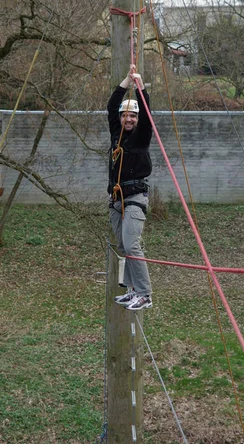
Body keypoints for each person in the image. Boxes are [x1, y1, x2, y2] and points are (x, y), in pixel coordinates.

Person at [107, 65, 153, 311]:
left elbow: (147, 115)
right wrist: (126, 80)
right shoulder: (116, 135)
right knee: (124, 246)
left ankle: (145, 294)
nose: (129, 119)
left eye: (133, 116)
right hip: (116, 198)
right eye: (125, 115)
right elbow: (111, 106)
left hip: (135, 196)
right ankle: (133, 290)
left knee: (132, 245)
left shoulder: (141, 136)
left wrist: (141, 86)